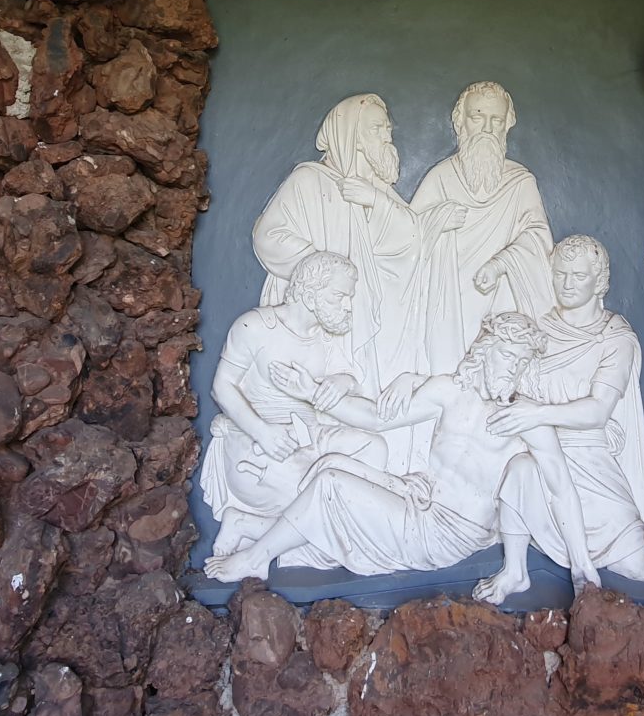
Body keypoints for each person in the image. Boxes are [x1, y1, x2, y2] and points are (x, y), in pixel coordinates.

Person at [204, 313, 560, 581]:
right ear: (485, 352)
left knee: (331, 489)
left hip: (447, 534)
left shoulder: (524, 415)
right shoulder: (449, 390)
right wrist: (311, 392)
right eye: (507, 355)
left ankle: (255, 558)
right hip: (420, 503)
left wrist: (583, 568)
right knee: (333, 483)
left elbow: (559, 484)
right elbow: (376, 418)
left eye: (522, 361)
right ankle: (249, 524)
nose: (513, 368)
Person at [252, 94, 457, 469]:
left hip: (364, 310)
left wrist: (376, 202)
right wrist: (321, 271)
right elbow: (269, 236)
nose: (386, 135)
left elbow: (406, 240)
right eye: (376, 128)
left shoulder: (374, 188)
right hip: (326, 312)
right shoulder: (309, 180)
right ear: (352, 135)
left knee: (361, 389)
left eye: (386, 128)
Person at [472, 235, 644, 604]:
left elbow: (599, 410)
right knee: (520, 469)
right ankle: (514, 569)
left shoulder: (613, 338)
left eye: (579, 275)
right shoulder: (538, 330)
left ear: (599, 281)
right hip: (540, 446)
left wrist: (539, 412)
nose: (568, 283)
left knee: (638, 568)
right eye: (560, 274)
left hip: (591, 459)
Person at [199, 252, 388, 564]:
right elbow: (222, 386)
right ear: (311, 294)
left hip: (310, 435)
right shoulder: (255, 326)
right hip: (260, 442)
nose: (347, 305)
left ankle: (251, 526)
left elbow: (354, 381)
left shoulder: (328, 337)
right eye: (340, 296)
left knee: (374, 448)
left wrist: (343, 381)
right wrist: (263, 433)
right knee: (313, 495)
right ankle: (245, 522)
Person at [402, 82, 555, 464]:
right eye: (477, 117)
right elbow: (404, 241)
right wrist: (436, 220)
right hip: (447, 303)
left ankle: (489, 461)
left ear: (508, 125)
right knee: (447, 382)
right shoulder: (440, 178)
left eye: (495, 120)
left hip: (501, 306)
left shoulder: (521, 183)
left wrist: (502, 261)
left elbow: (538, 241)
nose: (486, 128)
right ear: (460, 123)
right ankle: (434, 461)